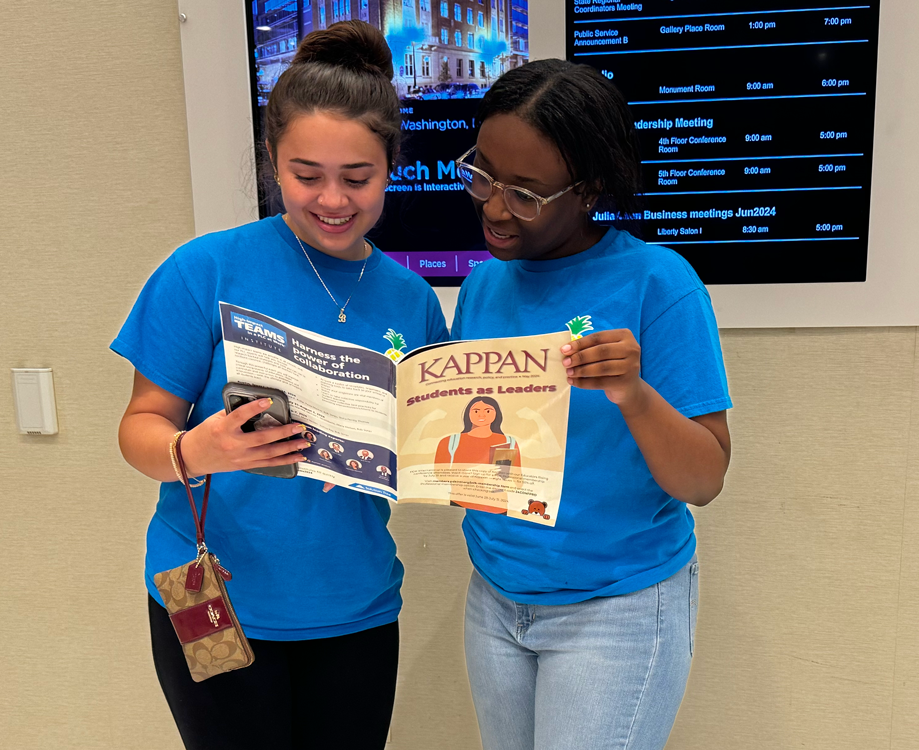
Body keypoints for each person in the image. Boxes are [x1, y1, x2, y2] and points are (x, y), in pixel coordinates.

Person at [111, 21, 447, 750]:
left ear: (392, 166)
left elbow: (427, 450)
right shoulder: (204, 271)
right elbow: (139, 429)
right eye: (306, 175)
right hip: (211, 596)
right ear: (271, 161)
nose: (333, 199)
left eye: (357, 177)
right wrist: (197, 451)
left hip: (355, 608)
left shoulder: (412, 301)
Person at [450, 59, 733, 750]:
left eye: (526, 194)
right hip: (496, 596)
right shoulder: (484, 286)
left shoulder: (658, 283)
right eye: (482, 174)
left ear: (589, 190)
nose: (494, 208)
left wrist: (633, 394)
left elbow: (704, 479)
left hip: (616, 607)